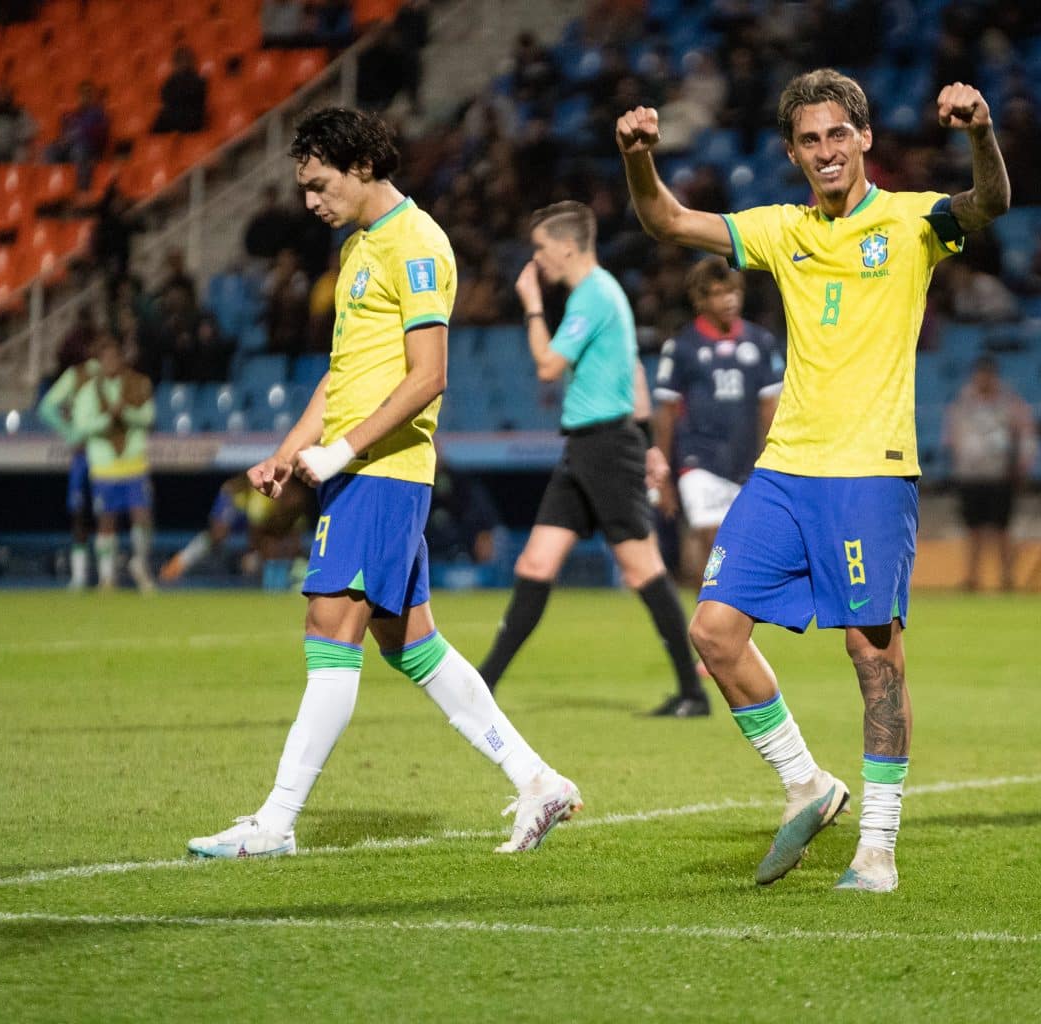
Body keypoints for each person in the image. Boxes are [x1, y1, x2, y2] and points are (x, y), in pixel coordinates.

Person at [617, 68, 1010, 891]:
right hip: (786, 470)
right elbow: (664, 219)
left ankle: (878, 847)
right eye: (809, 140)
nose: (826, 150)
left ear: (864, 138)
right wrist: (638, 157)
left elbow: (990, 203)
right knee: (714, 633)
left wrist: (979, 132)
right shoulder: (780, 229)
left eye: (838, 134)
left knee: (873, 656)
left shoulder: (912, 220)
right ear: (793, 153)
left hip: (870, 471)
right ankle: (807, 784)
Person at [188, 107, 580, 860]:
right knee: (411, 645)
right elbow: (343, 375)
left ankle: (275, 822)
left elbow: (429, 375)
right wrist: (287, 452)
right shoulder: (358, 247)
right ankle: (537, 780)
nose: (310, 201)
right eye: (304, 187)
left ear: (362, 165)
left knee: (328, 629)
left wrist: (341, 452)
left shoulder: (417, 242)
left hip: (383, 470)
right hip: (360, 472)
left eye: (319, 184)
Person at [476, 200, 711, 719]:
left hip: (605, 447)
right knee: (535, 563)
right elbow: (634, 371)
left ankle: (693, 693)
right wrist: (649, 442)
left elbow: (547, 366)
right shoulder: (605, 294)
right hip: (586, 446)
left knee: (643, 569)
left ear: (566, 247)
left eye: (541, 248)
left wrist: (531, 304)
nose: (537, 259)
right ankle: (481, 687)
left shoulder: (592, 295)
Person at [651, 257, 783, 584]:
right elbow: (666, 413)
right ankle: (710, 606)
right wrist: (662, 473)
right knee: (710, 536)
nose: (730, 300)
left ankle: (718, 606)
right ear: (701, 299)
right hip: (699, 460)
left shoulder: (760, 343)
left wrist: (773, 460)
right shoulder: (682, 347)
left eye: (734, 292)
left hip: (746, 462)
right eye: (719, 293)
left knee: (738, 549)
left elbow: (770, 407)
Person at [944, 355, 1037, 592]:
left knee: (1002, 529)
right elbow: (952, 436)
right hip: (970, 476)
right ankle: (972, 578)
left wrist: (1022, 466)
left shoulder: (1010, 403)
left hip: (999, 476)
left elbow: (1025, 435)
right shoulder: (962, 404)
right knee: (972, 529)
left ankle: (1007, 578)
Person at [74, 333, 157, 591]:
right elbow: (82, 427)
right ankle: (107, 577)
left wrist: (126, 413)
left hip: (134, 464)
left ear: (121, 358)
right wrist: (107, 418)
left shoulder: (138, 383)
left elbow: (148, 417)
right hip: (104, 466)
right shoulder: (88, 391)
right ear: (99, 362)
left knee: (142, 516)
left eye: (114, 356)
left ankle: (140, 564)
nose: (110, 362)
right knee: (106, 520)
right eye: (105, 358)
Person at [159, 473, 312, 582]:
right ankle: (177, 565)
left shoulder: (295, 510)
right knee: (217, 534)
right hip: (233, 500)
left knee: (271, 548)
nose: (295, 503)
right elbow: (255, 533)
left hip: (255, 523)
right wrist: (255, 553)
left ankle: (285, 579)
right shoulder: (263, 499)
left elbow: (293, 539)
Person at [36, 355, 100, 590]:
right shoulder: (77, 375)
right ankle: (80, 576)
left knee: (108, 514)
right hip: (83, 457)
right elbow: (46, 408)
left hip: (109, 455)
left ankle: (107, 575)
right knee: (78, 511)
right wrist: (71, 434)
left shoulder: (118, 376)